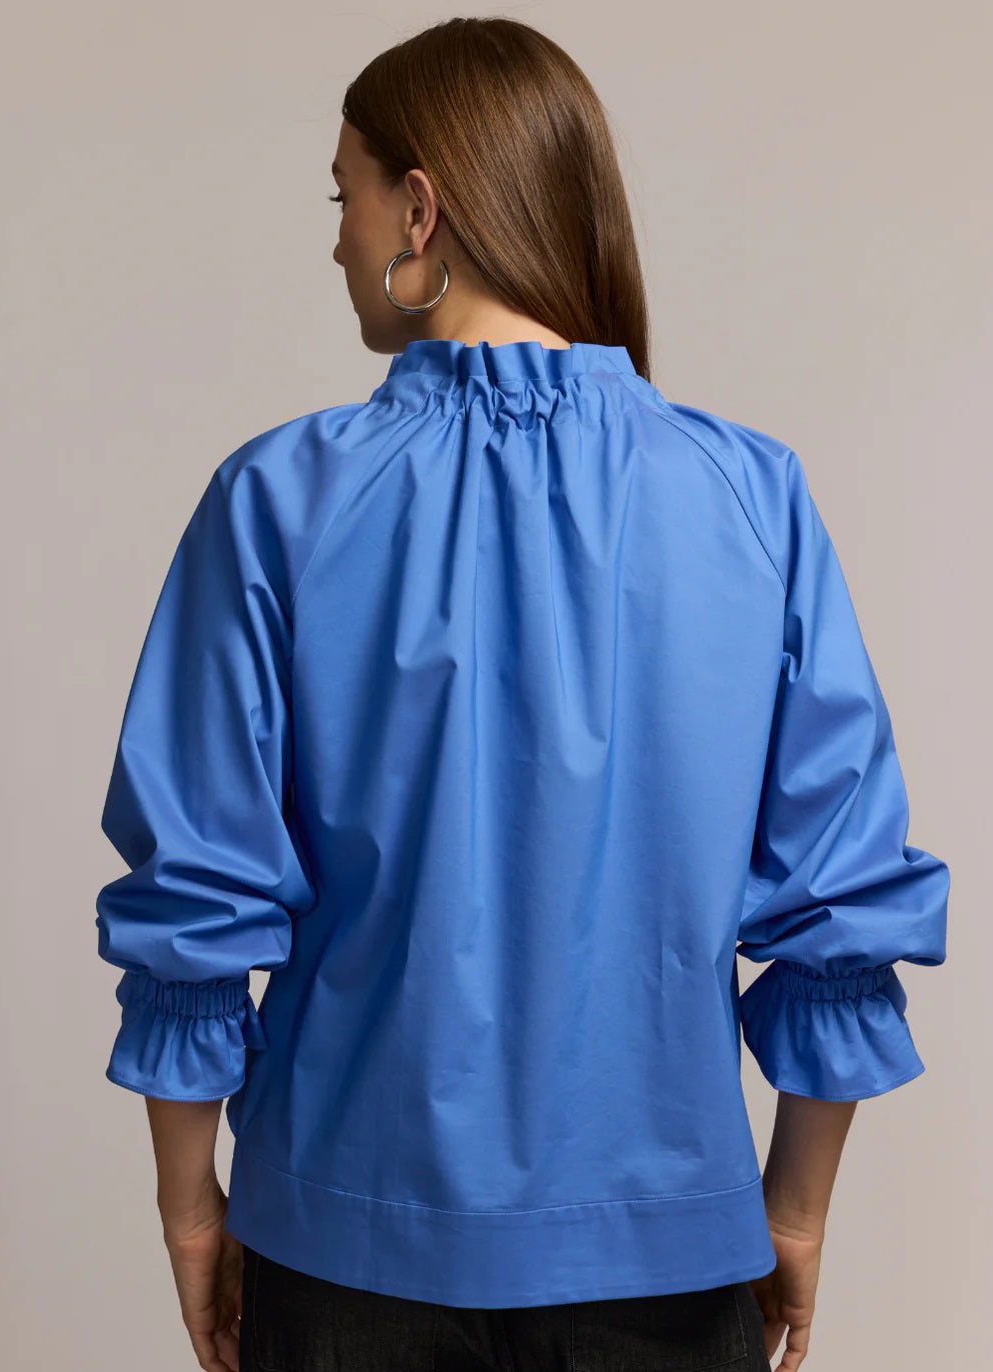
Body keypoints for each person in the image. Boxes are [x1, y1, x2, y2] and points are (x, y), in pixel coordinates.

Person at [93, 17, 950, 1372]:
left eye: (344, 194)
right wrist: (788, 1214)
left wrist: (192, 1213)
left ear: (418, 211)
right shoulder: (749, 498)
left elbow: (194, 904)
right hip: (671, 1269)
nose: (333, 237)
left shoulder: (277, 501)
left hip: (341, 1260)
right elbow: (842, 905)